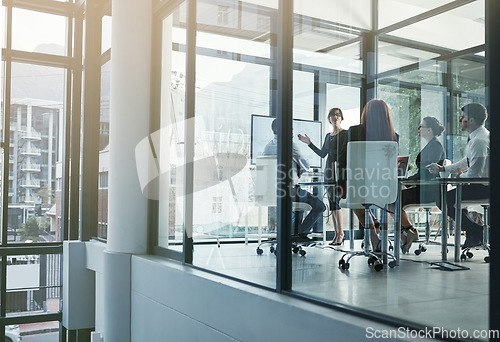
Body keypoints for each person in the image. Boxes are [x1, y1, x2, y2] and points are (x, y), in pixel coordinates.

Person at [427, 103, 489, 248]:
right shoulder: (480, 136)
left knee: (443, 199)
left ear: (471, 120)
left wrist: (461, 177)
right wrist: (444, 168)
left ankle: (478, 232)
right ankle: (474, 235)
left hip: (483, 187)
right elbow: (467, 162)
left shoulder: (479, 141)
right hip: (482, 185)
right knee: (452, 198)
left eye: (463, 117)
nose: (460, 120)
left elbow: (475, 174)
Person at [346, 99, 398, 251]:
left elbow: (346, 160)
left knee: (358, 204)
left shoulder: (354, 131)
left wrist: (342, 184)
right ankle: (379, 230)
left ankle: (374, 238)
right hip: (385, 190)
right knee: (371, 202)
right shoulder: (394, 136)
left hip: (360, 187)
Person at [262, 119, 326, 243]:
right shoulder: (290, 145)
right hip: (290, 192)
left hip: (273, 193)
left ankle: (294, 235)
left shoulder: (267, 147)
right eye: (289, 128)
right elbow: (306, 164)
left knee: (300, 200)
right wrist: (301, 168)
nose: (291, 131)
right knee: (320, 206)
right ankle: (301, 233)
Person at [298, 108, 348, 246]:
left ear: (341, 118)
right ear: (329, 119)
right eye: (333, 115)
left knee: (337, 202)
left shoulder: (346, 133)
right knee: (332, 203)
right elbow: (322, 154)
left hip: (340, 169)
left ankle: (341, 233)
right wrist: (309, 143)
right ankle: (337, 234)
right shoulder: (328, 135)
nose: (335, 116)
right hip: (329, 170)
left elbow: (345, 152)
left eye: (338, 114)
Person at [398, 117, 446, 253]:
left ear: (429, 130)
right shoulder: (431, 145)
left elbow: (426, 172)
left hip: (429, 190)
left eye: (421, 126)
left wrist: (407, 181)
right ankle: (407, 232)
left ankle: (409, 231)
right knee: (393, 198)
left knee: (394, 199)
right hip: (423, 187)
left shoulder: (436, 146)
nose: (419, 129)